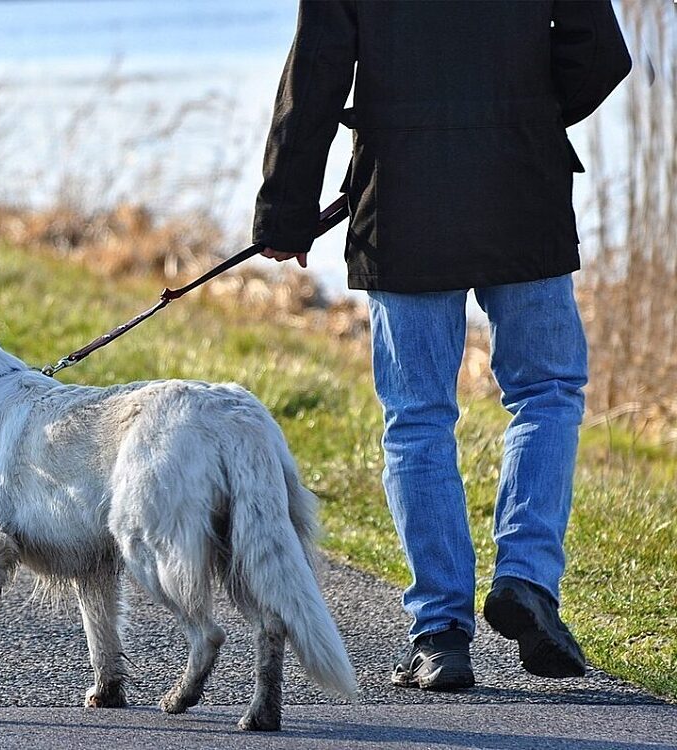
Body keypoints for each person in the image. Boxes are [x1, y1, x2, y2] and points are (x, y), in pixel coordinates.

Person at [253, 1, 631, 691]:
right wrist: (525, 116)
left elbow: (316, 75)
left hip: (404, 201)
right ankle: (526, 580)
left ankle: (440, 635)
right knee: (547, 391)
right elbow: (601, 56)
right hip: (524, 186)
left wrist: (285, 209)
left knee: (419, 415)